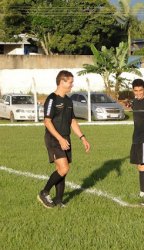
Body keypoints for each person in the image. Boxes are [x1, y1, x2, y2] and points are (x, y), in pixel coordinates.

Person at [37, 70, 90, 208]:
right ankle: (44, 192)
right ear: (62, 82)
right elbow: (47, 122)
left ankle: (59, 201)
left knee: (62, 169)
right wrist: (60, 138)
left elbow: (72, 120)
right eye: (70, 82)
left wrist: (82, 137)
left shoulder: (68, 100)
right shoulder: (51, 99)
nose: (72, 85)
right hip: (54, 138)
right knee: (64, 168)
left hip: (65, 138)